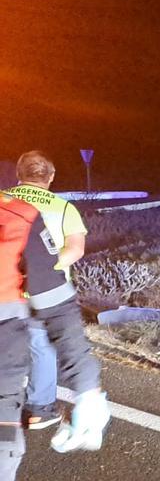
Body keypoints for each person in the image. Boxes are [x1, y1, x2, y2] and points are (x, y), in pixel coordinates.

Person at [1, 189, 112, 481]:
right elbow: (59, 310)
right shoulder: (20, 216)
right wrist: (87, 391)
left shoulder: (20, 217)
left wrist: (86, 388)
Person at [5, 151, 88, 430]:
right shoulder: (64, 208)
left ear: (19, 175)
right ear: (50, 177)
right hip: (46, 292)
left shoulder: (4, 200)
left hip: (6, 287)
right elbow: (76, 249)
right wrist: (43, 269)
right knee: (42, 346)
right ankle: (40, 409)